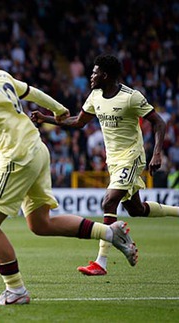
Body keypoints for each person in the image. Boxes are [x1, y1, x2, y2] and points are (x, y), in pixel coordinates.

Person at [0, 35, 137, 306]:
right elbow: (32, 92)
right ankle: (109, 232)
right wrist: (59, 110)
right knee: (40, 223)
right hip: (37, 149)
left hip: (17, 155)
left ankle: (15, 291)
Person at [31, 54, 179, 276]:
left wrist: (156, 153)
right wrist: (46, 118)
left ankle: (101, 262)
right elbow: (78, 122)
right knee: (135, 209)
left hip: (132, 156)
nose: (91, 76)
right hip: (114, 160)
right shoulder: (95, 96)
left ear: (106, 75)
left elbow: (159, 123)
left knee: (109, 202)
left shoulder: (131, 97)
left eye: (95, 72)